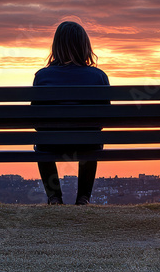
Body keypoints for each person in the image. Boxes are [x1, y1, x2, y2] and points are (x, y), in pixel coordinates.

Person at [33, 21, 109, 205]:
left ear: (56, 46)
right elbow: (105, 117)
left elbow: (36, 120)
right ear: (85, 46)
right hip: (86, 143)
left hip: (51, 144)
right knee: (91, 140)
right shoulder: (98, 77)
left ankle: (54, 197)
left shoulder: (42, 77)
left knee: (41, 144)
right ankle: (83, 197)